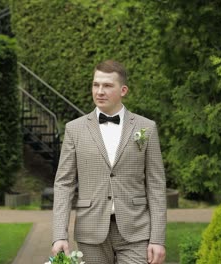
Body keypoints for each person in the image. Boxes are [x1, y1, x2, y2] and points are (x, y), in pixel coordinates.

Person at [51, 60, 167, 264]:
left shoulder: (146, 128)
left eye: (107, 85)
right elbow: (64, 184)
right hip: (90, 231)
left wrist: (157, 238)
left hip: (136, 230)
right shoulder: (74, 129)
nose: (100, 91)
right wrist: (60, 234)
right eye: (96, 85)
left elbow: (156, 185)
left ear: (123, 90)